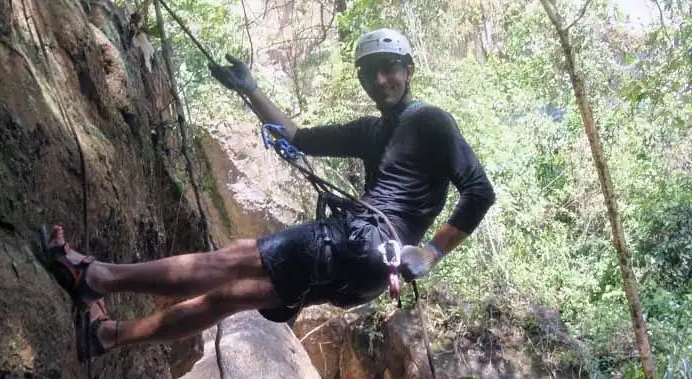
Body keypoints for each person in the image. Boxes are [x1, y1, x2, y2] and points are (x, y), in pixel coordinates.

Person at [39, 28, 496, 359]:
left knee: (229, 261)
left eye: (389, 69)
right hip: (365, 275)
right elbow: (299, 137)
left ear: (408, 70)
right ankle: (108, 337)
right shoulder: (372, 130)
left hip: (360, 243)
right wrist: (251, 90)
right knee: (228, 298)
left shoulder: (431, 121)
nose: (381, 81)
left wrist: (433, 251)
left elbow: (479, 192)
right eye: (371, 72)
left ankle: (94, 277)